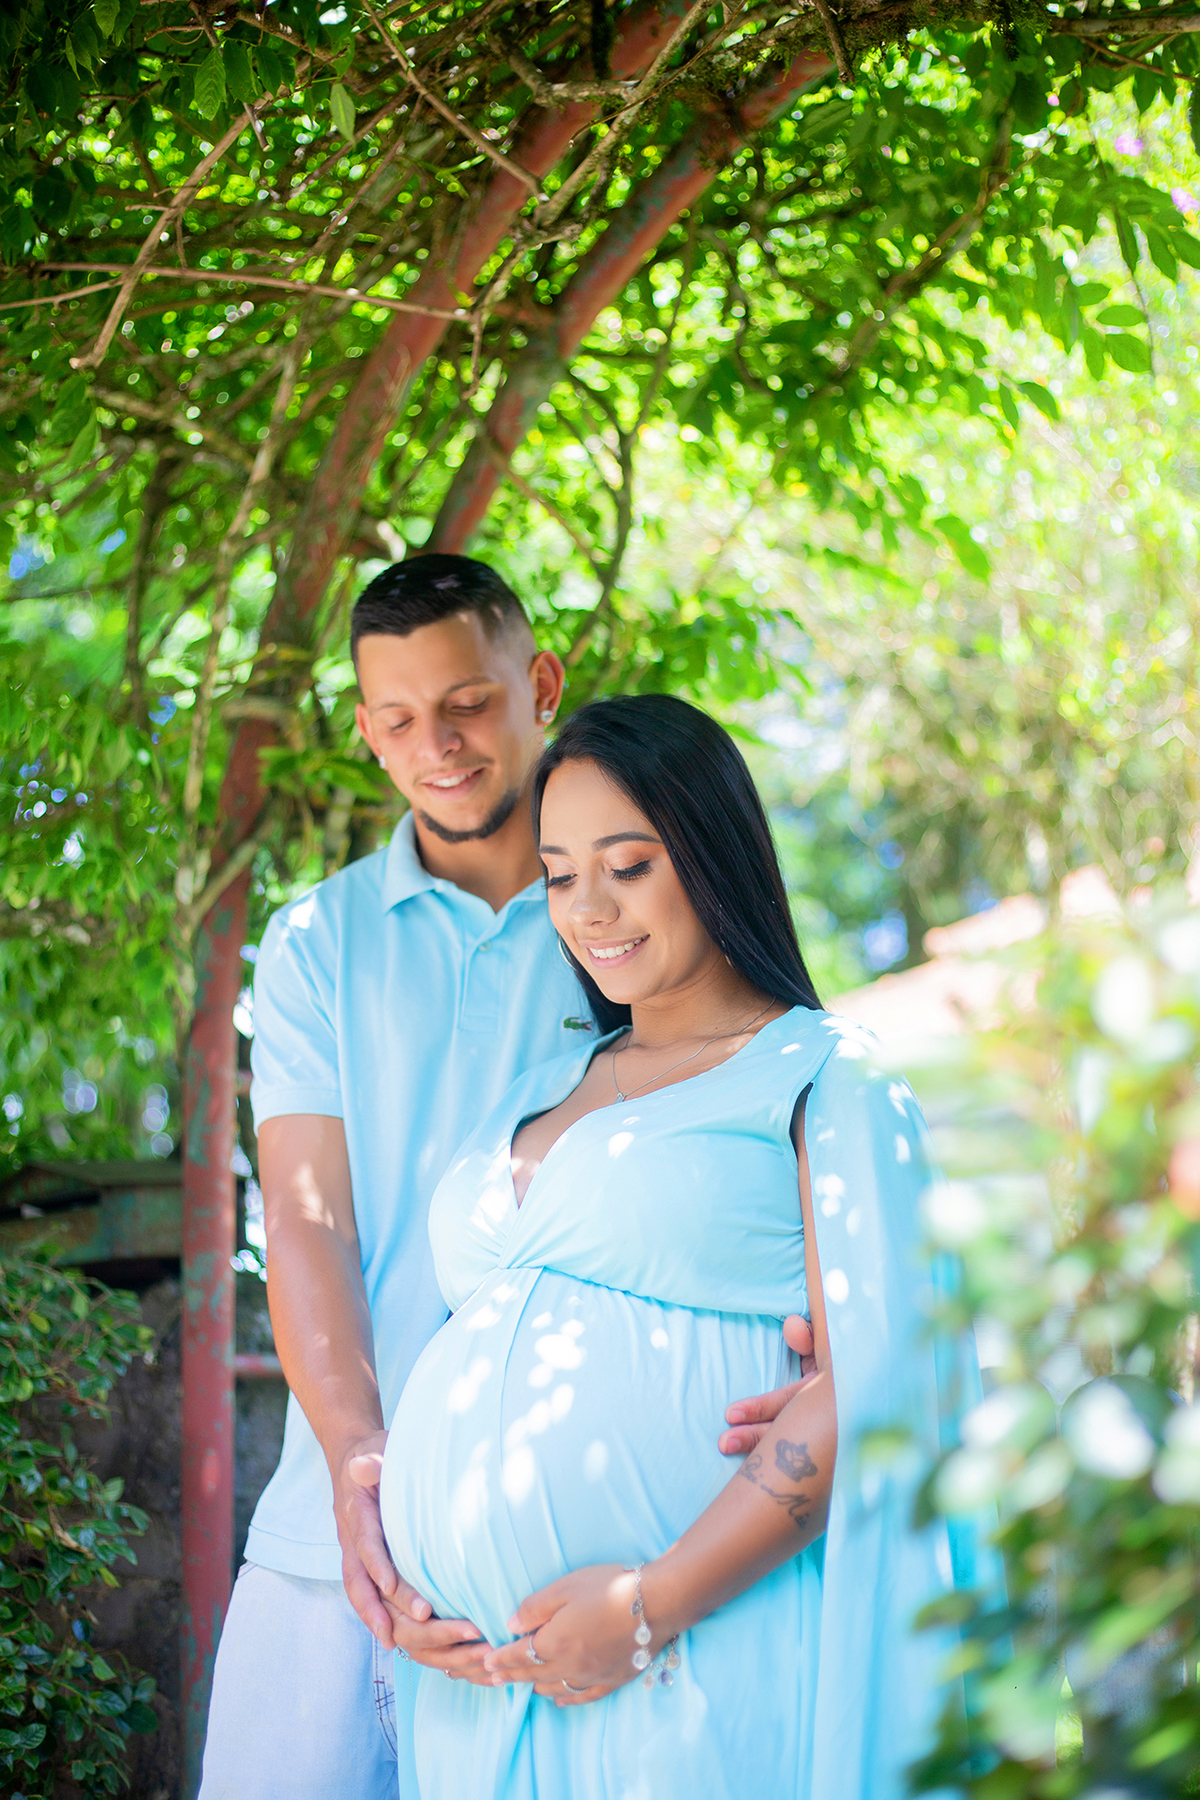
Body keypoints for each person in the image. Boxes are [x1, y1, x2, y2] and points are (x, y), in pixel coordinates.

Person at [198, 561, 812, 1798]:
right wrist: (363, 1464)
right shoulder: (317, 941)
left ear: (540, 687)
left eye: (469, 704)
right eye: (402, 719)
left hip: (587, 1567)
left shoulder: (627, 912)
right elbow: (306, 1227)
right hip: (338, 1533)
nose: (442, 746)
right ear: (367, 732)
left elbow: (761, 1113)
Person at [380, 693, 980, 1800]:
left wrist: (648, 1611)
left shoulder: (822, 1074)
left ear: (708, 853)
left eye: (630, 864)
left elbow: (887, 1378)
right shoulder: (531, 1091)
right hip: (476, 1696)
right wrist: (412, 1586)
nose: (590, 908)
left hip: (697, 1666)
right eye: (560, 875)